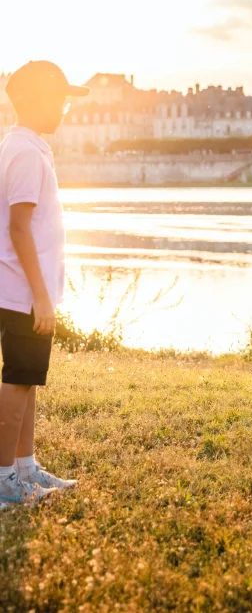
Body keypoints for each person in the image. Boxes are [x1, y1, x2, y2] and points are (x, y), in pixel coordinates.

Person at [0, 61, 89, 506]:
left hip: (21, 290)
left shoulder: (23, 146)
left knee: (28, 379)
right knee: (16, 382)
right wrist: (40, 297)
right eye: (61, 99)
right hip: (21, 291)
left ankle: (26, 468)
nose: (66, 108)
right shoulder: (27, 153)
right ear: (38, 102)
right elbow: (19, 228)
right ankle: (3, 482)